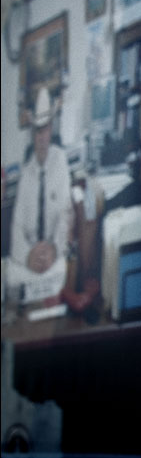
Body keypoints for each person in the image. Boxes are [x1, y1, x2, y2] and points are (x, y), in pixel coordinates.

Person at [6, 88, 73, 303]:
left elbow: (65, 214)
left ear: (51, 128)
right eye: (37, 131)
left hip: (52, 254)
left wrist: (53, 249)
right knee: (10, 277)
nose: (41, 136)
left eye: (44, 130)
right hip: (31, 256)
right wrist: (27, 256)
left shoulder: (61, 161)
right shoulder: (26, 172)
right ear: (32, 134)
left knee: (63, 271)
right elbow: (16, 226)